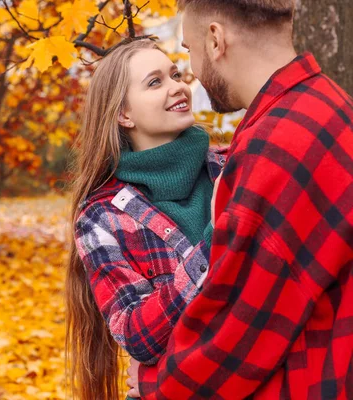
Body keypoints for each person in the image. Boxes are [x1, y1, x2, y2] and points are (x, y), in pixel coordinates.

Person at [127, 0, 353, 398]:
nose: (192, 73)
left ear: (215, 39)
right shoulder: (330, 103)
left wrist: (154, 383)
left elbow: (239, 328)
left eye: (188, 51)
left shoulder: (275, 146)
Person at [66, 38, 226, 400]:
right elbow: (137, 334)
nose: (178, 86)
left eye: (175, 74)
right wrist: (217, 236)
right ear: (124, 114)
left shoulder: (233, 168)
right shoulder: (100, 217)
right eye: (155, 82)